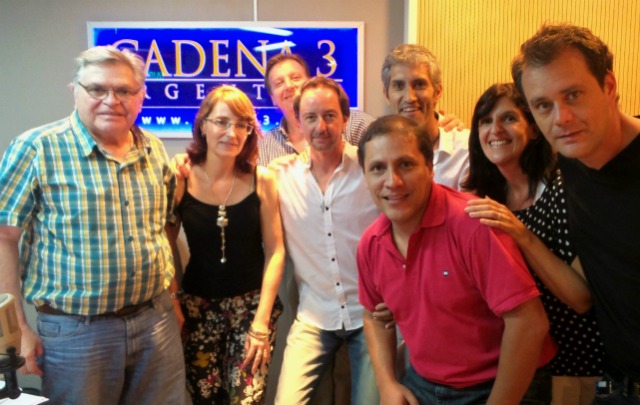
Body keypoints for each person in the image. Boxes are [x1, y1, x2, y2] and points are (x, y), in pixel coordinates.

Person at [0, 46, 186, 404]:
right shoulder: (38, 148)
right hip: (76, 333)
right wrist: (18, 328)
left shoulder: (154, 149)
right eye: (98, 89)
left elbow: (162, 231)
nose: (111, 100)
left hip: (155, 321)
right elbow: (4, 237)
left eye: (124, 90)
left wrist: (173, 300)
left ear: (141, 96)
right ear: (76, 91)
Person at [357, 114, 557, 404]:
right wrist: (386, 383)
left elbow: (529, 323)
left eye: (406, 164)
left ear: (430, 167)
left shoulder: (472, 224)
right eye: (377, 168)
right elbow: (373, 316)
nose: (393, 181)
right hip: (425, 381)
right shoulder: (371, 243)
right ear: (365, 177)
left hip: (501, 381)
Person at [512, 23, 640, 404]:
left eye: (573, 95)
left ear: (609, 86)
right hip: (617, 384)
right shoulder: (568, 163)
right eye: (543, 105)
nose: (561, 118)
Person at [463, 82, 605, 404]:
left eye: (509, 118)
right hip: (520, 362)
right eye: (485, 121)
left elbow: (581, 298)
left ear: (534, 129)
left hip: (578, 362)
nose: (495, 130)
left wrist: (521, 233)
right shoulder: (485, 198)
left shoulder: (561, 187)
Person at [168, 85, 284, 404]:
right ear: (203, 125)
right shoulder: (181, 176)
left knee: (246, 398)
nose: (232, 133)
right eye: (221, 122)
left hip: (251, 308)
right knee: (205, 397)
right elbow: (164, 246)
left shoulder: (263, 179)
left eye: (241, 125)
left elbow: (276, 251)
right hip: (196, 308)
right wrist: (174, 303)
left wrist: (261, 321)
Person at [272, 76, 380, 405]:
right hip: (314, 316)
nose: (321, 127)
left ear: (345, 118)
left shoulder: (371, 169)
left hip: (369, 314)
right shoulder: (279, 176)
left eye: (330, 115)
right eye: (311, 117)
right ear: (298, 121)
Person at [381, 43, 470, 190]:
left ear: (438, 92)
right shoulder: (377, 152)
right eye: (399, 86)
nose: (409, 97)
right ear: (386, 94)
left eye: (419, 84)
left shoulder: (466, 151)